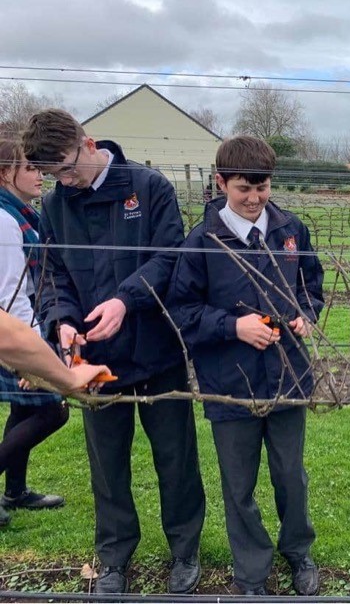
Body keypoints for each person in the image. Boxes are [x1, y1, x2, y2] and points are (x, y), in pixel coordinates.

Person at [22, 109, 206, 595]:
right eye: (51, 175)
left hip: (156, 352)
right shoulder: (57, 207)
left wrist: (127, 300)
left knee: (176, 458)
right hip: (94, 365)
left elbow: (171, 257)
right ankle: (114, 558)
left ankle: (185, 551)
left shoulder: (148, 187)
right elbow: (51, 274)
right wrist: (61, 321)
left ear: (88, 143)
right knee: (107, 466)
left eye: (65, 168)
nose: (62, 181)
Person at [167, 135, 324, 596]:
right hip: (229, 382)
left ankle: (298, 552)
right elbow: (181, 309)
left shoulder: (291, 229)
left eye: (262, 187)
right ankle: (252, 572)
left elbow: (311, 284)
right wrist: (233, 327)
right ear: (221, 184)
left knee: (290, 476)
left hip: (287, 376)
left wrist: (305, 315)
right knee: (239, 486)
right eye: (243, 189)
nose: (254, 199)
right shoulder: (203, 242)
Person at [0, 139, 69, 527]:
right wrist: (33, 352)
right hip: (15, 331)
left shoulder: (19, 213)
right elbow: (11, 294)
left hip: (20, 327)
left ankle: (16, 491)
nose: (38, 174)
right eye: (29, 167)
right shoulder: (6, 220)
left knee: (24, 408)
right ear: (5, 172)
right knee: (51, 410)